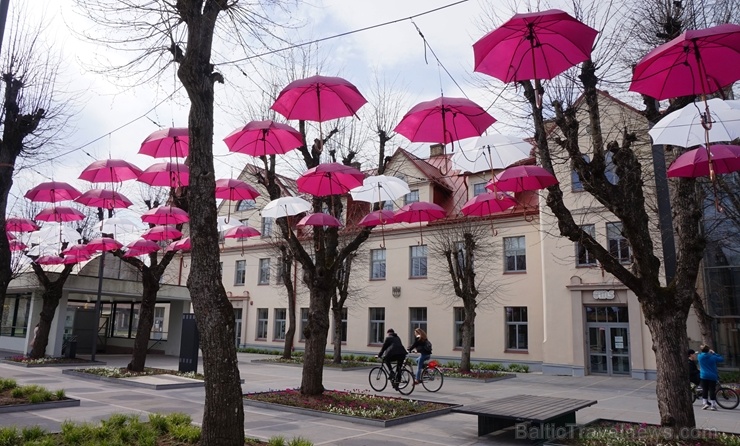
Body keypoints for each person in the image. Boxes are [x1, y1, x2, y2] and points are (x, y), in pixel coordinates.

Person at [697, 344, 724, 411]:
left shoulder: (700, 356)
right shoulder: (713, 357)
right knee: (712, 390)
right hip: (712, 376)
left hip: (703, 376)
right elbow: (721, 359)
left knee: (705, 389)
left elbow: (700, 353)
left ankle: (704, 403)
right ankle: (713, 405)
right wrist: (714, 353)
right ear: (708, 350)